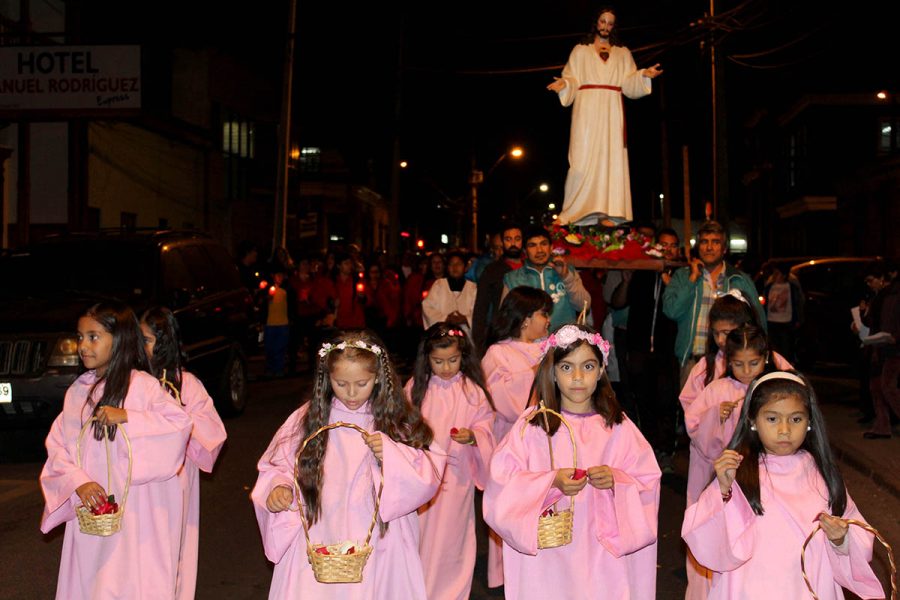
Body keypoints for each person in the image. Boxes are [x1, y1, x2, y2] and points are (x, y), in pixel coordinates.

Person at [251, 329, 446, 599]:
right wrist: (279, 487)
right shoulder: (307, 419)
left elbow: (428, 472)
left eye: (362, 383)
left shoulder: (395, 422)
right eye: (341, 384)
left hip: (379, 540)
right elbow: (278, 464)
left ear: (378, 378)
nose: (351, 393)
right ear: (326, 379)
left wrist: (392, 455)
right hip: (321, 530)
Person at [483, 324, 661, 599]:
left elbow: (648, 481)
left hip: (601, 552)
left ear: (601, 370)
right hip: (549, 554)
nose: (578, 377)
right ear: (552, 372)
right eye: (567, 368)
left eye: (588, 367)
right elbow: (501, 482)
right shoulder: (533, 426)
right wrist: (550, 481)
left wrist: (617, 480)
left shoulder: (618, 426)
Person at [682, 371, 884, 599]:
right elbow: (707, 540)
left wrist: (840, 539)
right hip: (751, 588)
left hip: (809, 587)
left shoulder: (823, 475)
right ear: (752, 421)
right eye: (772, 419)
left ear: (810, 422)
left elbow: (857, 531)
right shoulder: (739, 473)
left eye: (796, 419)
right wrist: (722, 489)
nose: (785, 430)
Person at [40, 301, 192, 599]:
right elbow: (58, 446)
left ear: (120, 339)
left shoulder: (143, 387)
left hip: (138, 515)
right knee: (95, 586)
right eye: (80, 337)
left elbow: (178, 425)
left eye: (93, 337)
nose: (83, 345)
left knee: (132, 583)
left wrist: (129, 418)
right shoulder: (78, 393)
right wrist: (78, 482)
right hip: (94, 516)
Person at [139, 306, 227, 600]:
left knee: (173, 547)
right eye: (139, 340)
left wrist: (176, 417)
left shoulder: (186, 383)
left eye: (148, 340)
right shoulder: (134, 381)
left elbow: (211, 431)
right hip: (140, 480)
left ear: (164, 343)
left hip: (175, 479)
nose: (142, 347)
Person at [547, 7, 662, 226]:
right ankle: (572, 210)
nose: (605, 27)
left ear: (614, 26)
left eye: (610, 23)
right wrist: (564, 84)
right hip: (586, 108)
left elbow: (629, 84)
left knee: (611, 158)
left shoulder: (623, 53)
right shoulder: (580, 51)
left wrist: (643, 75)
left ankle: (609, 211)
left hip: (612, 108)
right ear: (595, 23)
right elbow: (571, 77)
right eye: (602, 21)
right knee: (580, 160)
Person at [681, 325, 774, 599]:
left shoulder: (771, 388)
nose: (746, 371)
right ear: (728, 361)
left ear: (766, 357)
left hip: (763, 476)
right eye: (739, 364)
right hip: (724, 476)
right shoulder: (718, 389)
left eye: (754, 363)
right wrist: (715, 417)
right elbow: (695, 427)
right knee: (724, 534)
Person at [404, 323, 495, 600]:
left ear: (463, 356)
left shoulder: (472, 390)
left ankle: (451, 592)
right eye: (438, 361)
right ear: (426, 359)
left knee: (452, 538)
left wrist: (474, 436)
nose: (446, 368)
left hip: (457, 478)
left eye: (453, 360)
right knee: (420, 534)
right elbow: (402, 427)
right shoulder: (416, 388)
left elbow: (486, 424)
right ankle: (417, 588)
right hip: (423, 479)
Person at [480, 285, 554, 588]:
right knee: (511, 504)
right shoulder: (498, 352)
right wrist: (535, 372)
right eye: (543, 314)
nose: (548, 320)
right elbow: (501, 398)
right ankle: (505, 573)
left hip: (543, 439)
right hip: (511, 440)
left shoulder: (545, 348)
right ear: (525, 318)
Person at [663, 220, 766, 387]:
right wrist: (692, 279)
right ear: (698, 247)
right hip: (692, 361)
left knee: (730, 410)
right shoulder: (682, 276)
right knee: (692, 411)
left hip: (731, 361)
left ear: (724, 249)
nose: (709, 247)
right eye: (704, 242)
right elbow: (671, 311)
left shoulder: (739, 279)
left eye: (715, 242)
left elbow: (759, 321)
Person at [613, 227, 681, 469]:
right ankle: (648, 450)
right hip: (639, 348)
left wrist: (670, 284)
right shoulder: (642, 270)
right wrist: (626, 282)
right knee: (642, 400)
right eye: (663, 245)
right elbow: (618, 302)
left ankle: (666, 451)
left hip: (667, 351)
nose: (667, 250)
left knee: (667, 401)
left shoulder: (681, 277)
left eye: (672, 245)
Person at [501, 225, 592, 332]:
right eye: (532, 245)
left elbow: (584, 306)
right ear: (525, 251)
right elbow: (506, 318)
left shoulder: (567, 270)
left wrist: (566, 277)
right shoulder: (513, 279)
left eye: (543, 244)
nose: (539, 250)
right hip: (529, 345)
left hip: (563, 343)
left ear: (551, 247)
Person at [472, 223, 524, 352]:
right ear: (502, 242)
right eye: (508, 239)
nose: (513, 243)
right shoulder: (492, 271)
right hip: (503, 334)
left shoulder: (530, 268)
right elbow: (481, 307)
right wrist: (479, 343)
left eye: (517, 239)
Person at [422, 251, 478, 332]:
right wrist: (445, 318)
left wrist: (466, 319)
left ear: (465, 268)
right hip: (443, 334)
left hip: (466, 335)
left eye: (459, 264)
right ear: (447, 268)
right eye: (451, 264)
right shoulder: (439, 285)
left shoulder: (473, 288)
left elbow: (478, 312)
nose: (455, 267)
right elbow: (427, 307)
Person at [762, 265, 804, 364]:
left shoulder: (791, 287)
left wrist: (798, 319)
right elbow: (765, 302)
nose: (775, 276)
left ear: (784, 275)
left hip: (786, 321)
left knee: (785, 346)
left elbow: (798, 303)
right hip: (772, 321)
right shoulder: (769, 287)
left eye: (777, 274)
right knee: (774, 346)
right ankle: (775, 365)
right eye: (774, 273)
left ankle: (785, 366)